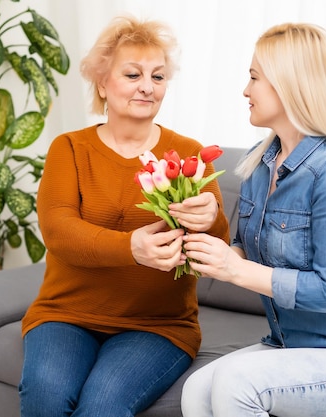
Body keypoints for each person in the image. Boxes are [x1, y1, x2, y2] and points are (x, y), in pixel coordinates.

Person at [179, 23, 326, 417]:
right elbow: (245, 251)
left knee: (236, 383)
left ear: (289, 84)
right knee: (197, 390)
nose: (245, 90)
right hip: (292, 344)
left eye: (254, 78)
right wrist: (202, 249)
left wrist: (234, 270)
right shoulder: (259, 161)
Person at [18, 15, 229, 417]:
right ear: (102, 83)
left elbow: (216, 247)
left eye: (158, 76)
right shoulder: (70, 149)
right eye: (133, 74)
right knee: (45, 395)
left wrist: (211, 216)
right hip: (66, 314)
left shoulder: (188, 154)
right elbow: (59, 232)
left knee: (102, 406)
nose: (147, 87)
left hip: (157, 325)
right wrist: (131, 247)